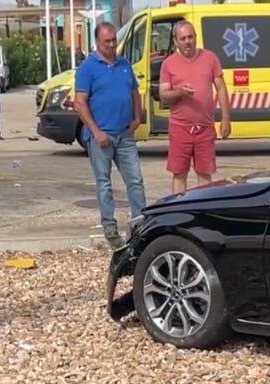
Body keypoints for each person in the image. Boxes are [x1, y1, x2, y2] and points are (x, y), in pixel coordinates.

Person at [73, 21, 147, 247]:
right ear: (97, 42)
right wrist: (96, 131)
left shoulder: (124, 64)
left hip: (124, 134)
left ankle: (140, 224)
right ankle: (109, 226)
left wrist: (137, 118)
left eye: (114, 40)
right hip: (101, 137)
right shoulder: (88, 68)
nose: (112, 44)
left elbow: (135, 93)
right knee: (104, 182)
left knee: (135, 180)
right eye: (107, 41)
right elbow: (80, 103)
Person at [159, 21, 230, 195]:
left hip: (205, 128)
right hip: (180, 128)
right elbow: (163, 94)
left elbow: (221, 88)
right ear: (175, 41)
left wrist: (226, 119)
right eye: (183, 38)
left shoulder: (210, 58)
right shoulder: (168, 64)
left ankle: (202, 215)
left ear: (196, 38)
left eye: (190, 37)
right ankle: (177, 214)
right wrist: (180, 93)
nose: (187, 41)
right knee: (179, 174)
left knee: (205, 175)